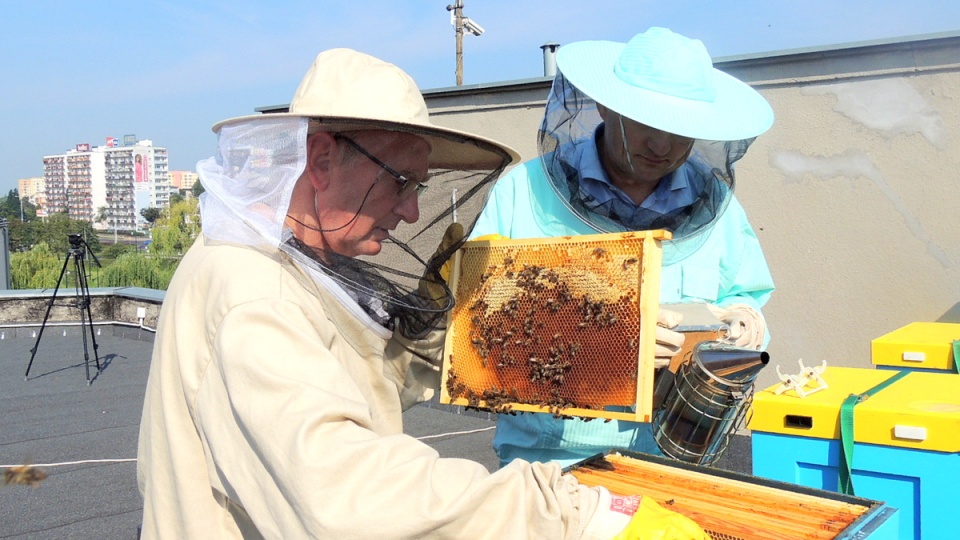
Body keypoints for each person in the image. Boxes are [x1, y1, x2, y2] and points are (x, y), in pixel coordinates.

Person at [136, 48, 708, 539]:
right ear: (320, 160)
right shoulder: (252, 292)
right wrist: (569, 515)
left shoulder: (290, 261)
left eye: (420, 188)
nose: (411, 211)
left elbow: (367, 382)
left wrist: (451, 323)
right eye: (400, 182)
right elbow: (348, 496)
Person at [471, 27, 776, 468]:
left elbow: (743, 295)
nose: (662, 145)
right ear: (605, 106)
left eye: (680, 129)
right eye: (645, 123)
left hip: (678, 454)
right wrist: (608, 341)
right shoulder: (523, 191)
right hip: (549, 461)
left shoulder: (719, 207)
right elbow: (476, 319)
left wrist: (747, 324)